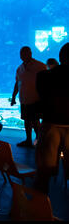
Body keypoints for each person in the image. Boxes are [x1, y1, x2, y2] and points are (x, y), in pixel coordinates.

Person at [34, 43, 69, 194]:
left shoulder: (43, 76)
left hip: (50, 125)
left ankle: (39, 208)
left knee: (44, 171)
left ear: (60, 57)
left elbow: (41, 97)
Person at [11, 46, 47, 147]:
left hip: (36, 99)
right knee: (27, 120)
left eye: (25, 53)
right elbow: (17, 83)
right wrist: (13, 97)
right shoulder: (20, 68)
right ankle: (28, 140)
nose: (23, 55)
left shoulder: (40, 66)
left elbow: (46, 83)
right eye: (22, 54)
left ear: (30, 53)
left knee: (35, 121)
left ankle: (40, 141)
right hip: (24, 99)